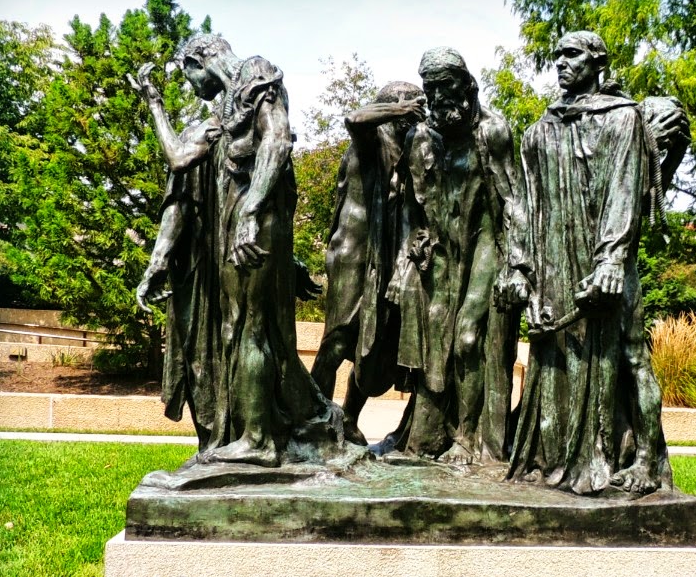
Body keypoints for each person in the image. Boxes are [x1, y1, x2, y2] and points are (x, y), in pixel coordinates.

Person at [130, 34, 346, 468]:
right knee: (238, 327)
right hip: (240, 225)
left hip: (250, 223)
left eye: (187, 74)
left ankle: (259, 441)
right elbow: (179, 159)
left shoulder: (255, 72)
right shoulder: (224, 108)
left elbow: (278, 140)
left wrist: (251, 212)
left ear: (197, 60)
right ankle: (264, 430)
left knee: (247, 327)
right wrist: (154, 102)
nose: (191, 86)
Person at [503, 30, 688, 496]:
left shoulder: (623, 119)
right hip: (555, 263)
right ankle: (556, 452)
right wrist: (522, 268)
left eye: (571, 55)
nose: (561, 63)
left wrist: (612, 258)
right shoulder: (539, 130)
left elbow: (625, 191)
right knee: (557, 354)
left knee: (631, 357)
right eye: (557, 56)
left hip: (607, 262)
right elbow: (525, 204)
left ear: (597, 61)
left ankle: (646, 460)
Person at [387, 47, 528, 465]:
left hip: (485, 244)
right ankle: (434, 434)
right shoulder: (421, 138)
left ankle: (468, 440)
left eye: (446, 86)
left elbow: (513, 201)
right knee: (435, 338)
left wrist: (517, 265)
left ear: (467, 84)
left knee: (468, 337)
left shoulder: (492, 131)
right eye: (431, 89)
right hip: (442, 253)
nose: (438, 96)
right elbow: (411, 209)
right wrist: (405, 261)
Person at [309, 82, 427, 444]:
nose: (413, 116)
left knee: (373, 343)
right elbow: (355, 119)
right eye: (408, 106)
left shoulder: (406, 152)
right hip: (353, 254)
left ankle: (349, 418)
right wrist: (399, 110)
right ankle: (314, 421)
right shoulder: (370, 139)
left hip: (387, 256)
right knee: (338, 340)